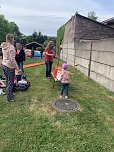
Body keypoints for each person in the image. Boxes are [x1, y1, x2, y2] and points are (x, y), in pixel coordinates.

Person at [1, 33, 21, 102]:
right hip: (9, 66)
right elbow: (12, 59)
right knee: (10, 82)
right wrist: (17, 68)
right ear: (12, 38)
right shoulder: (11, 47)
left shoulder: (4, 45)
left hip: (4, 65)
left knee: (7, 81)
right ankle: (9, 98)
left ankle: (9, 94)